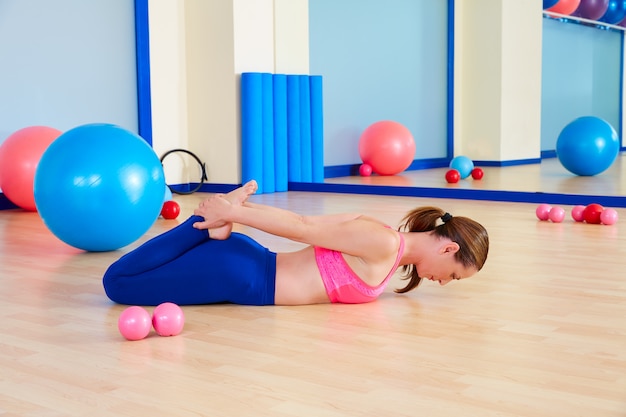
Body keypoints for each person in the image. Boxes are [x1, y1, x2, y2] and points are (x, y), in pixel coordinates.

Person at [103, 180, 489, 306]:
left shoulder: (385, 242)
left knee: (130, 280)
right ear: (448, 248)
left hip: (247, 266)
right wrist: (234, 212)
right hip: (241, 276)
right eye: (454, 276)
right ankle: (205, 222)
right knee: (117, 284)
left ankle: (214, 226)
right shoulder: (382, 242)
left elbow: (312, 224)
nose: (444, 282)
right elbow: (302, 225)